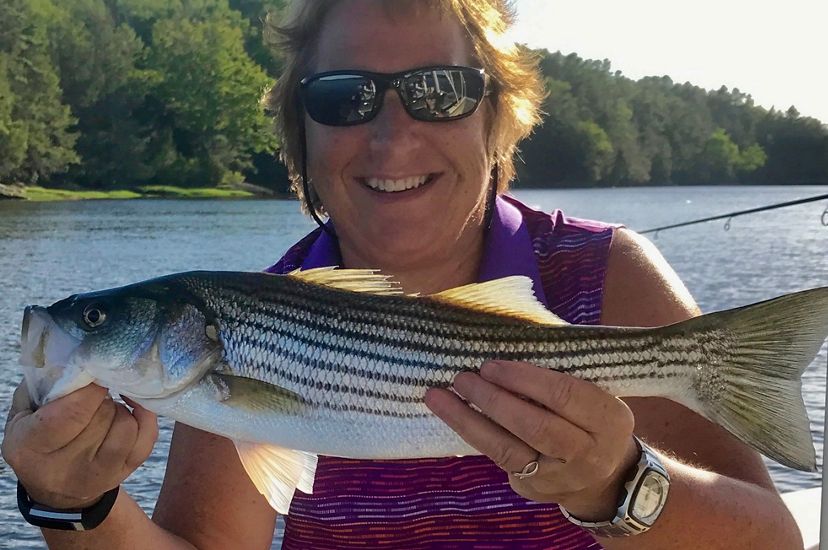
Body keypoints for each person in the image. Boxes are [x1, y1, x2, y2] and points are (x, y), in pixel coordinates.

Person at [1, 1, 804, 548]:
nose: (392, 138)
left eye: (439, 92)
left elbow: (772, 539)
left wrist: (619, 486)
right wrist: (77, 508)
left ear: (496, 118)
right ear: (301, 136)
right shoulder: (247, 320)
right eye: (344, 97)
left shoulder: (605, 276)